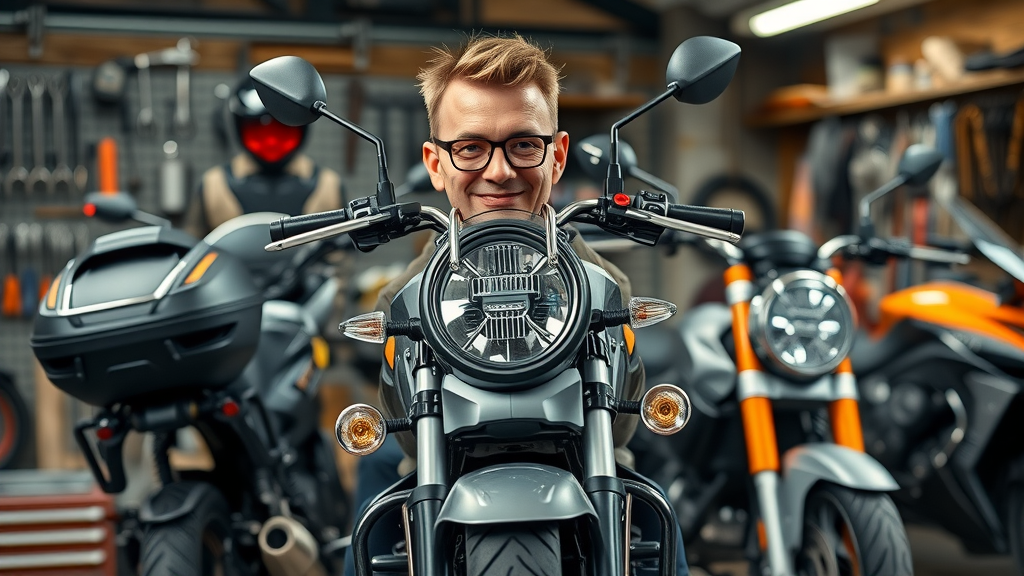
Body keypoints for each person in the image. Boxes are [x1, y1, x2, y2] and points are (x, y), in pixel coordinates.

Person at [347, 33, 689, 576]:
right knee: (377, 507)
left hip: (583, 458)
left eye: (524, 145)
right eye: (470, 147)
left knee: (651, 512)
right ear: (435, 162)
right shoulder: (405, 298)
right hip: (443, 457)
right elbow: (409, 432)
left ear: (557, 155)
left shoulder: (604, 285)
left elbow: (621, 426)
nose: (500, 171)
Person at [184, 77, 343, 237]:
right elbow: (191, 245)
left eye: (282, 131)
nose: (271, 141)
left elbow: (342, 249)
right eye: (258, 132)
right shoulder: (215, 185)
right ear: (240, 127)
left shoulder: (327, 186)